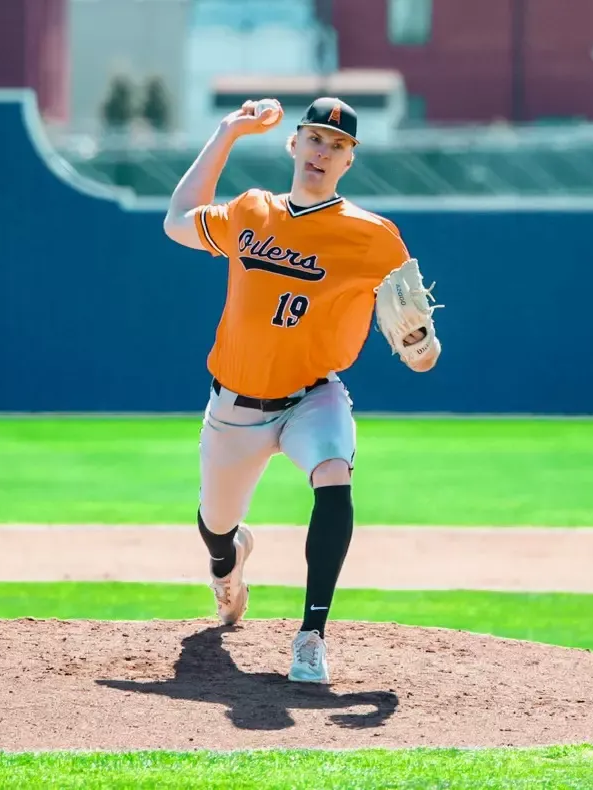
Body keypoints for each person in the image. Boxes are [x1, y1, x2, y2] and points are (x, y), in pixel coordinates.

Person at [160, 96, 441, 684]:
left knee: (334, 476)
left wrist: (420, 344)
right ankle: (228, 563)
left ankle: (311, 636)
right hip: (235, 405)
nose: (323, 152)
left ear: (349, 161)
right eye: (314, 138)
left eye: (337, 145)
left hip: (313, 396)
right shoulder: (251, 210)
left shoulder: (374, 238)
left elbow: (424, 355)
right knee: (215, 527)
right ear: (294, 144)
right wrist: (227, 132)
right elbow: (177, 219)